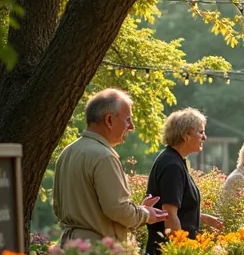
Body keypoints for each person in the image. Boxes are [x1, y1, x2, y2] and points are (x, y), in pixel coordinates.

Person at [53, 88, 167, 244]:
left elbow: (61, 209)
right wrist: (145, 214)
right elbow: (117, 209)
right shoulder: (104, 156)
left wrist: (137, 209)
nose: (132, 126)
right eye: (128, 119)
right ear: (109, 120)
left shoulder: (68, 152)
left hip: (70, 248)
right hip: (97, 251)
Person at [144, 108, 223, 255]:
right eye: (200, 132)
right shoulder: (172, 165)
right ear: (186, 135)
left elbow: (180, 209)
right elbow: (170, 216)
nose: (204, 137)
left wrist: (202, 218)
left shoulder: (174, 160)